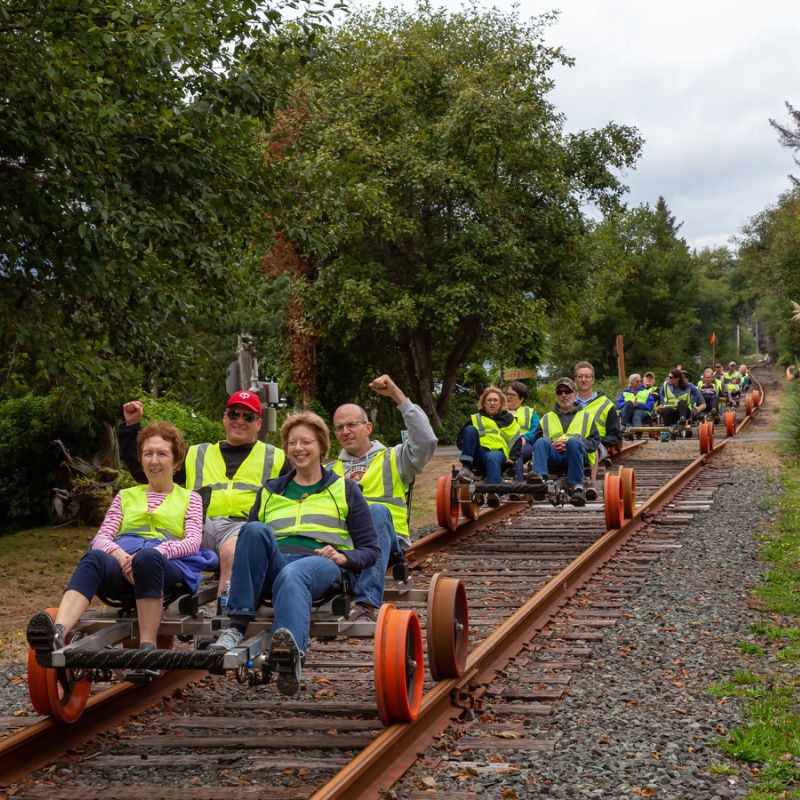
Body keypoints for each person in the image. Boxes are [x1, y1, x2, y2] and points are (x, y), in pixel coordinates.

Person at [209, 411, 380, 697]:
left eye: (306, 442)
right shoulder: (270, 490)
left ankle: (290, 658)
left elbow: (371, 550)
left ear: (322, 447)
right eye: (292, 443)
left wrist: (344, 557)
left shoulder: (344, 489)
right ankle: (236, 627)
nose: (299, 448)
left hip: (320, 564)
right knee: (251, 531)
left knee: (293, 573)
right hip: (275, 562)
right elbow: (252, 543)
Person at [27, 422, 210, 654]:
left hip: (165, 568)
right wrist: (121, 556)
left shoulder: (190, 498)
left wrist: (155, 552)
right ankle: (57, 634)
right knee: (94, 558)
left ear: (176, 461)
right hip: (123, 565)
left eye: (162, 454)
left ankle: (148, 647)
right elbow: (101, 537)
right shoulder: (125, 496)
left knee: (146, 559)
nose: (154, 460)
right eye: (148, 454)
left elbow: (192, 541)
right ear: (141, 459)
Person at [119, 391, 288, 600]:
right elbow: (145, 470)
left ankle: (225, 617)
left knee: (232, 551)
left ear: (259, 423)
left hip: (243, 528)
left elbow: (305, 486)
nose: (240, 421)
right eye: (234, 414)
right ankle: (154, 609)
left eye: (248, 416)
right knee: (155, 541)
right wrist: (131, 427)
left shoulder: (277, 458)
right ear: (225, 418)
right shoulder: (196, 454)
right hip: (198, 527)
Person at [330, 374, 437, 622]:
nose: (345, 431)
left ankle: (366, 603)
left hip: (386, 540)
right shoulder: (328, 471)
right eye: (339, 427)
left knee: (375, 510)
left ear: (368, 427)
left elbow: (427, 440)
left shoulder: (395, 458)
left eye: (352, 425)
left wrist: (397, 396)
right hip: (342, 542)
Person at [531, 377, 600, 507]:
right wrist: (552, 444)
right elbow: (536, 442)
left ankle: (577, 488)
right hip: (554, 457)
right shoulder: (546, 418)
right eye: (560, 392)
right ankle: (540, 482)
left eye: (567, 391)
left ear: (574, 394)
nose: (563, 395)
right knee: (541, 442)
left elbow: (594, 442)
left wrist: (572, 443)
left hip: (576, 457)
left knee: (573, 442)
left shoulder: (587, 417)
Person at [456, 386, 522, 508]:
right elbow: (460, 440)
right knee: (470, 430)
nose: (492, 403)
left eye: (495, 400)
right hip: (479, 455)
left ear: (501, 403)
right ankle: (465, 468)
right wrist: (469, 447)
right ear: (484, 403)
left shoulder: (508, 419)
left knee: (493, 456)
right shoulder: (475, 418)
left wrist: (512, 458)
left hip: (498, 455)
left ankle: (493, 494)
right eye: (489, 400)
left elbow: (516, 440)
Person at [574, 361, 622, 471]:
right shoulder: (567, 403)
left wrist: (597, 441)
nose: (584, 380)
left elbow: (616, 436)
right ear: (575, 380)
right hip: (571, 443)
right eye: (580, 376)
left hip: (596, 446)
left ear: (593, 380)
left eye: (587, 376)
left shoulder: (606, 404)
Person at [504, 381, 540, 481]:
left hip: (524, 445)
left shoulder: (530, 412)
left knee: (517, 452)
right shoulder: (499, 412)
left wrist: (525, 438)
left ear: (521, 398)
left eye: (512, 394)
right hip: (503, 445)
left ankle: (518, 487)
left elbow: (537, 431)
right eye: (507, 394)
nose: (508, 397)